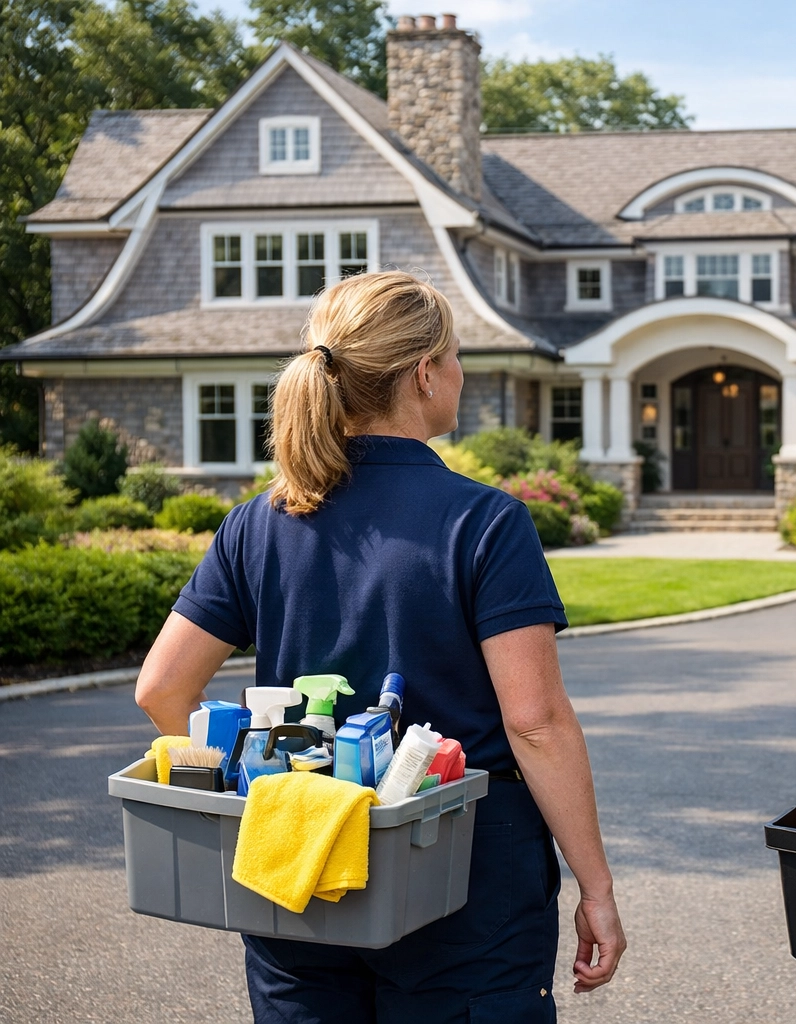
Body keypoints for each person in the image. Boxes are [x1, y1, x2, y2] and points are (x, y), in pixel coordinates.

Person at [135, 271, 626, 1022]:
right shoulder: (485, 523)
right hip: (460, 872)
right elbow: (536, 724)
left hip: (299, 858)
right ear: (424, 374)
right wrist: (597, 887)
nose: (461, 373)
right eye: (455, 356)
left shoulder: (257, 523)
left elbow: (162, 691)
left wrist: (257, 795)